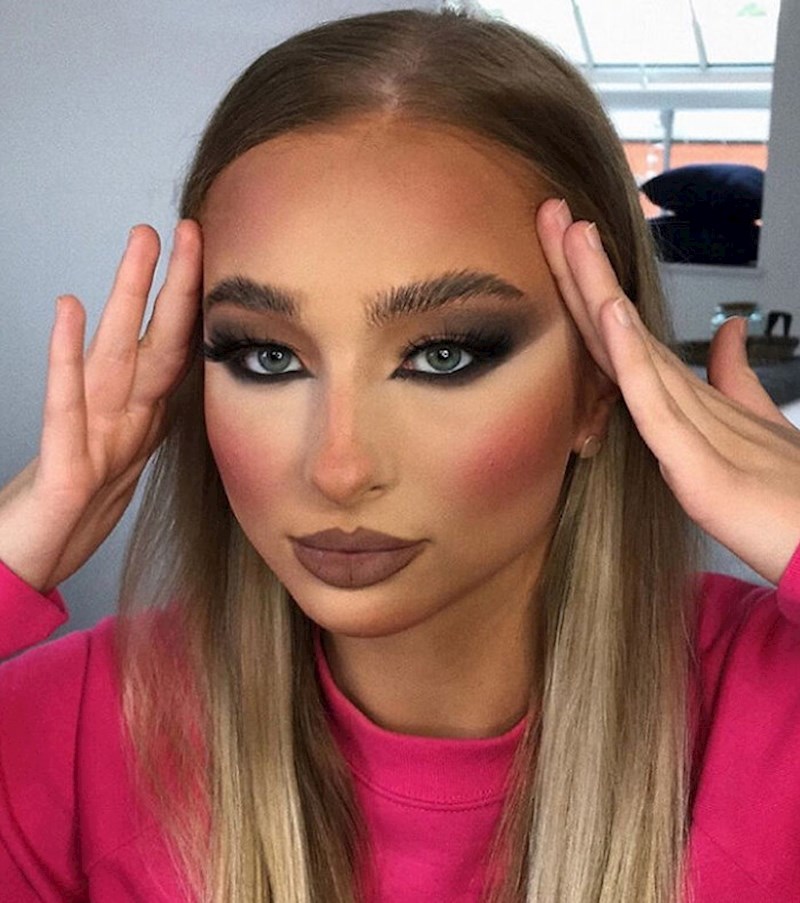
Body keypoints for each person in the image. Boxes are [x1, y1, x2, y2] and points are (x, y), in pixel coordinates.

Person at [1, 7, 799, 902]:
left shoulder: (767, 717)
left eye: (443, 355)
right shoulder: (86, 732)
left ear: (598, 385)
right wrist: (14, 542)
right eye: (268, 357)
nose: (337, 467)